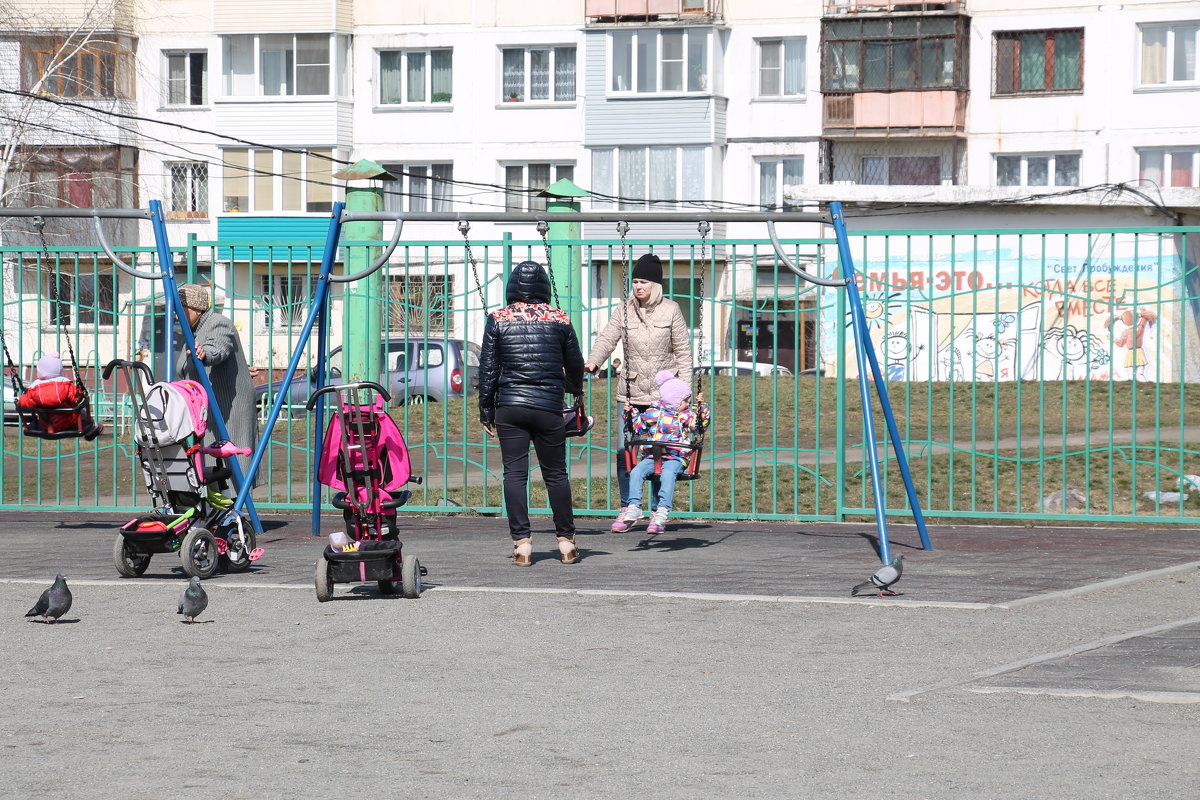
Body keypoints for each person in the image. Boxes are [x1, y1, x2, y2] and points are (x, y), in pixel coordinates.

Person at [478, 260, 585, 566]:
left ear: (512, 286)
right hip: (548, 406)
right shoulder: (559, 318)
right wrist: (574, 389)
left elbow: (488, 369)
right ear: (544, 287)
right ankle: (566, 542)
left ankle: (522, 544)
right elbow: (575, 362)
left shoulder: (498, 318)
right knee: (556, 474)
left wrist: (486, 409)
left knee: (514, 474)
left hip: (509, 407)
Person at [584, 253, 692, 531]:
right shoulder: (624, 310)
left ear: (655, 285)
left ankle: (657, 511)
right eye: (635, 282)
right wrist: (594, 361)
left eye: (643, 282)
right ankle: (627, 507)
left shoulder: (671, 310)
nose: (638, 287)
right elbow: (607, 338)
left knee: (660, 452)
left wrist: (684, 394)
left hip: (662, 396)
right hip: (630, 393)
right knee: (625, 452)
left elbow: (683, 352)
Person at [176, 284, 259, 485]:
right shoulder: (194, 330)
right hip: (208, 409)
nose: (176, 315)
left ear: (196, 309)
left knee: (230, 461)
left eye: (181, 309)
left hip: (226, 407)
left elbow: (218, 347)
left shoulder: (217, 323)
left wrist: (206, 354)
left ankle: (232, 509)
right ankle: (220, 509)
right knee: (212, 460)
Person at [615, 371, 709, 534]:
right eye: (685, 401)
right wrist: (630, 414)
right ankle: (634, 506)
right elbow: (638, 427)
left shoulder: (686, 416)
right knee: (636, 471)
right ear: (674, 400)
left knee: (667, 474)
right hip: (652, 457)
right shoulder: (653, 413)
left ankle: (662, 510)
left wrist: (702, 409)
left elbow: (699, 427)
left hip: (675, 458)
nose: (688, 404)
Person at [16, 352, 103, 439]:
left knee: (39, 415)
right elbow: (77, 398)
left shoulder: (34, 389)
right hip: (69, 423)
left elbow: (23, 403)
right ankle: (93, 427)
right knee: (81, 408)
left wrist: (18, 401)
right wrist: (82, 393)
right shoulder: (66, 385)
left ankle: (51, 426)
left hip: (46, 425)